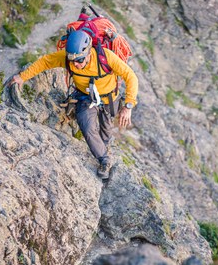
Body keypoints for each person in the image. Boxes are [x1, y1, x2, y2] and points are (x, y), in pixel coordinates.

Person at [11, 30, 138, 180]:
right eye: (73, 61)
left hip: (109, 99)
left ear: (89, 52)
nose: (76, 65)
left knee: (106, 129)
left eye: (79, 60)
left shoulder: (105, 57)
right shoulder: (67, 58)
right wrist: (22, 77)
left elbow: (131, 77)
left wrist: (128, 106)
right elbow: (45, 62)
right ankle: (104, 159)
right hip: (86, 98)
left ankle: (104, 146)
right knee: (87, 126)